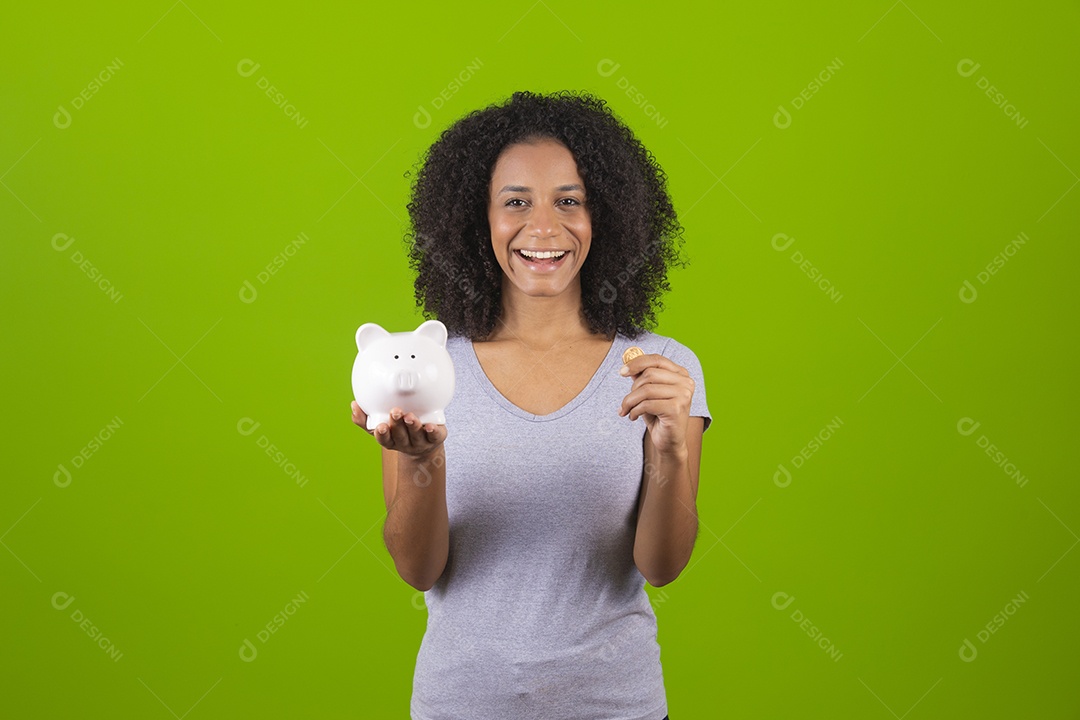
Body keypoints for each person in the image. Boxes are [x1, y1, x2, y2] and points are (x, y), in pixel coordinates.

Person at [351, 90, 710, 720]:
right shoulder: (432, 366)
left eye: (569, 201)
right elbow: (417, 568)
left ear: (606, 218)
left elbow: (663, 566)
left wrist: (670, 448)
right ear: (476, 220)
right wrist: (421, 461)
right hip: (460, 704)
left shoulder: (660, 369)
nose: (544, 228)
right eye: (516, 202)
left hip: (618, 705)